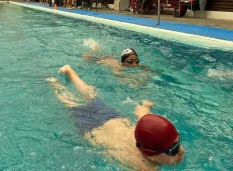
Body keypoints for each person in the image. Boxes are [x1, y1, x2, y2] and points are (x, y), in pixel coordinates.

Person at [45, 65, 184, 170]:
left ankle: (70, 72)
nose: (181, 150)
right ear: (150, 155)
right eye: (174, 149)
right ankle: (53, 83)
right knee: (71, 104)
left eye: (178, 142)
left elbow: (143, 115)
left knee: (92, 96)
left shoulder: (149, 132)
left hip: (112, 117)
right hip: (92, 129)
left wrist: (145, 106)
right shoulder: (144, 166)